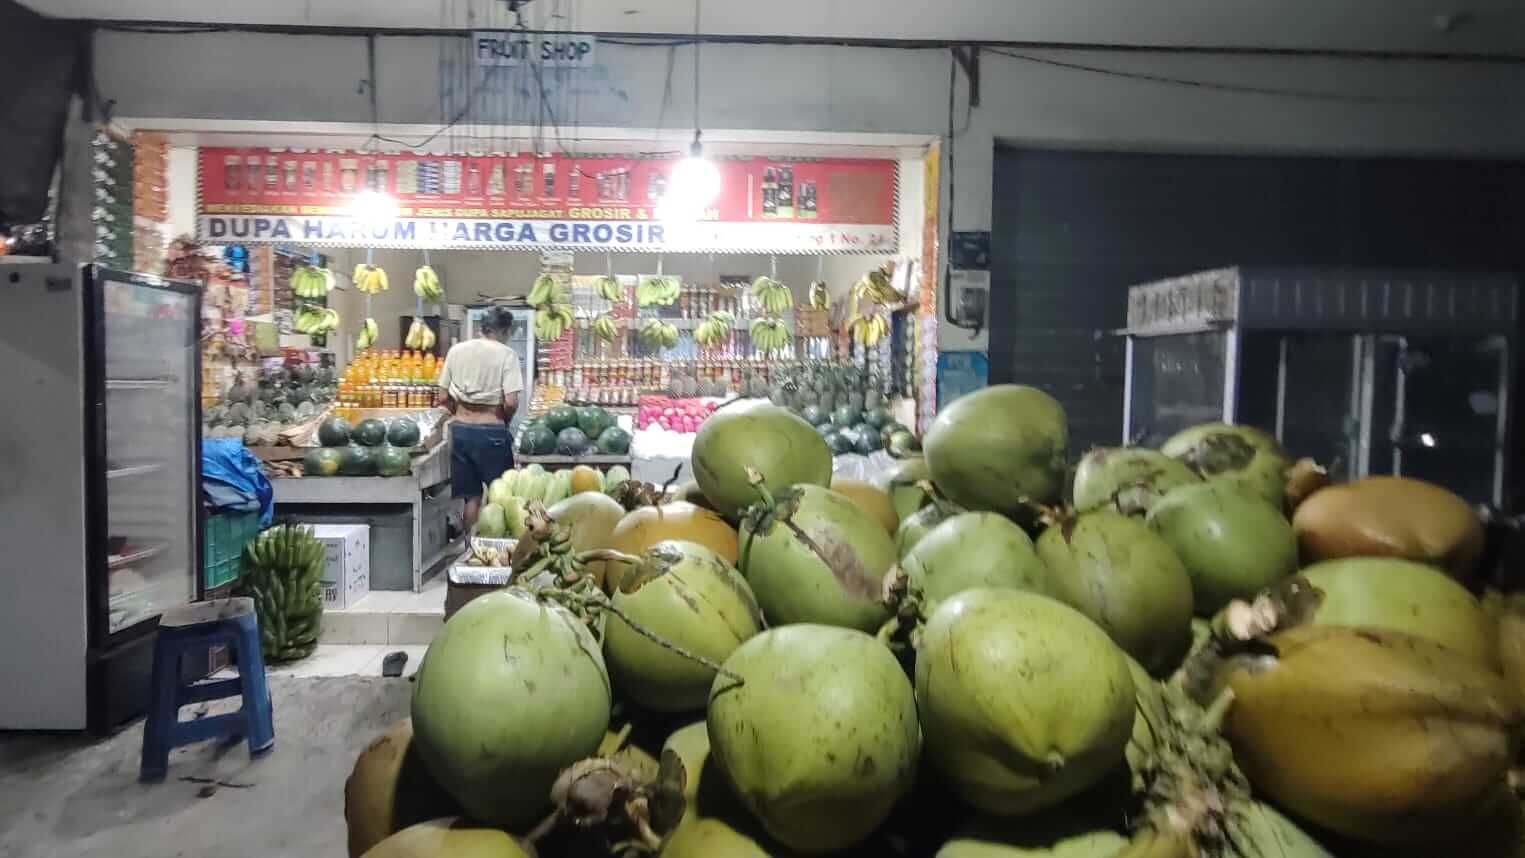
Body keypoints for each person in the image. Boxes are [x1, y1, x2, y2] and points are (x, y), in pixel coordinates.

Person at [437, 306, 522, 535]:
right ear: (504, 330)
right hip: (492, 431)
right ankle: (499, 553)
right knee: (500, 497)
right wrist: (504, 418)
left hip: (461, 431)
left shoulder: (457, 351)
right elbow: (512, 401)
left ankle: (469, 550)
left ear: (483, 327)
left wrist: (460, 410)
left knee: (471, 498)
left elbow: (442, 396)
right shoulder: (507, 355)